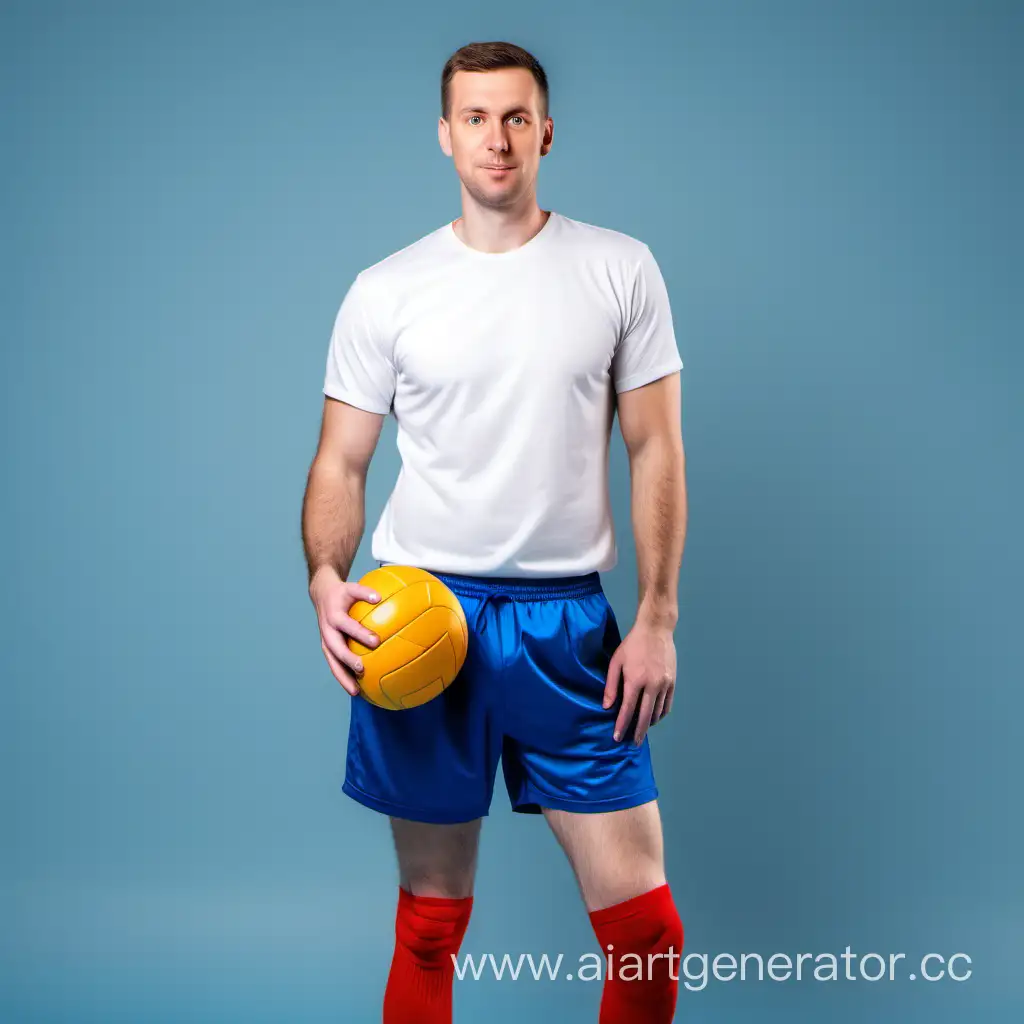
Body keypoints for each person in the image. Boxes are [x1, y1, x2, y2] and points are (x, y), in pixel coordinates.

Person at [301, 40, 687, 1023]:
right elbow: (341, 461)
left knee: (645, 935)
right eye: (475, 117)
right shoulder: (385, 289)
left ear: (546, 131)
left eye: (516, 116)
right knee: (430, 921)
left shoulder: (618, 269)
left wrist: (654, 615)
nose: (497, 137)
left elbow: (654, 449)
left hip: (569, 630)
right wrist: (323, 576)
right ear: (444, 134)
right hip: (421, 617)